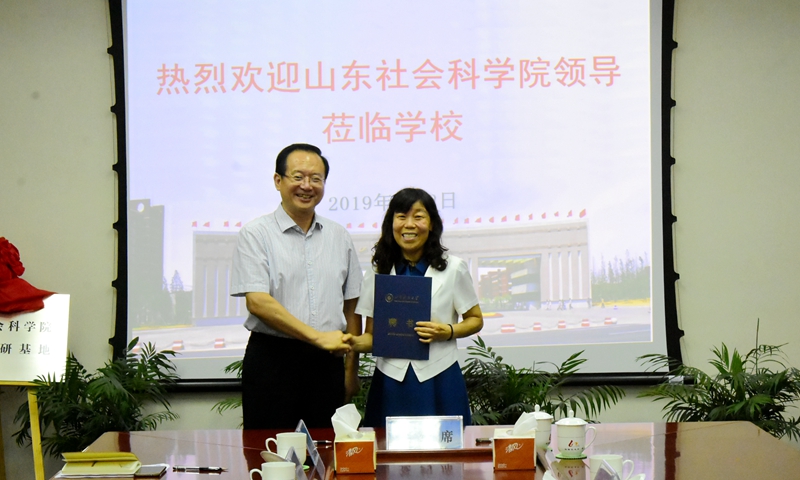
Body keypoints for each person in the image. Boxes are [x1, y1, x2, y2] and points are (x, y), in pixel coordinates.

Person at [230, 143, 362, 429]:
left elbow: (351, 305)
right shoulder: (256, 234)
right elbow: (257, 302)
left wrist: (351, 370)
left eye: (316, 179)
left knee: (327, 447)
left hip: (327, 363)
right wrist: (317, 337)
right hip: (273, 360)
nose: (307, 186)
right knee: (270, 448)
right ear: (278, 181)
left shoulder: (339, 236)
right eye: (298, 177)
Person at [350, 187, 483, 427]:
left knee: (445, 447)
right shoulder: (378, 271)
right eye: (401, 216)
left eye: (419, 217)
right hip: (391, 380)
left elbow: (475, 319)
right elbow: (371, 335)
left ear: (432, 224)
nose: (409, 224)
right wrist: (346, 343)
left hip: (440, 377)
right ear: (391, 224)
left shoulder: (454, 268)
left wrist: (448, 331)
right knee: (387, 447)